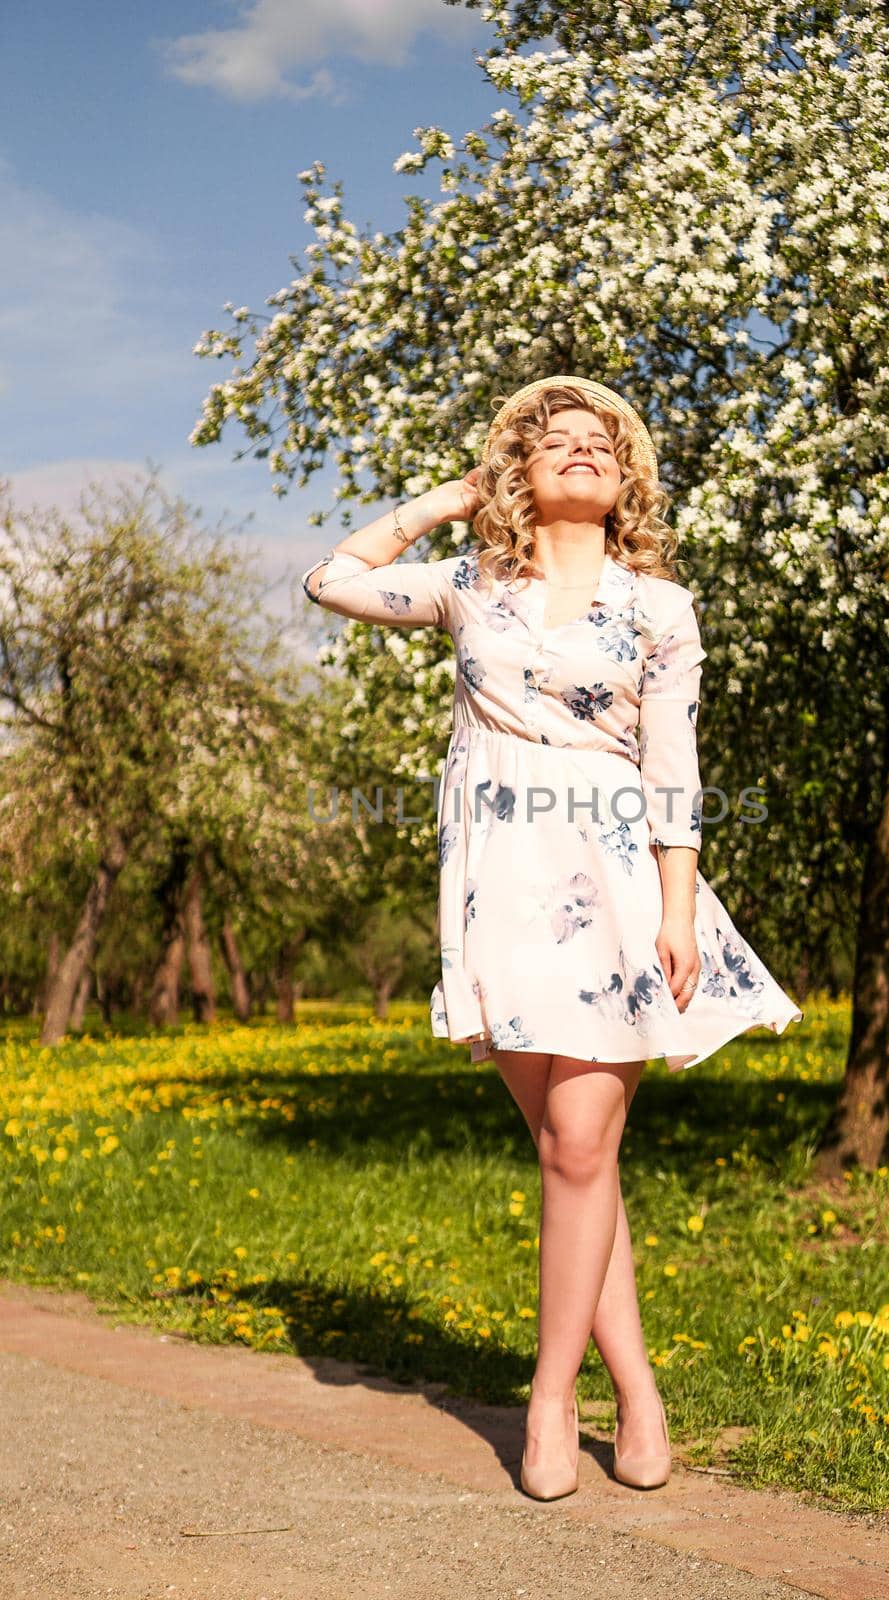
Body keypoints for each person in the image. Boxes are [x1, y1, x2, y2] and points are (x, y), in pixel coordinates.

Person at [302, 376, 803, 1501]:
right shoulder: (471, 584)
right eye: (555, 443)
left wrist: (677, 905)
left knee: (580, 1145)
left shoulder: (658, 608)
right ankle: (637, 1389)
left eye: (600, 445)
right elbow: (328, 580)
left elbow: (672, 766)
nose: (580, 452)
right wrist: (445, 500)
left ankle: (548, 1395)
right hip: (498, 879)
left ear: (625, 482)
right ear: (519, 477)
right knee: (576, 1157)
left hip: (615, 878)